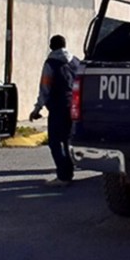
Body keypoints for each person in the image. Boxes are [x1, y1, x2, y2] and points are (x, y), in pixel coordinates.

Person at [29, 34, 81, 187]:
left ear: (51, 46)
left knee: (55, 142)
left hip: (58, 106)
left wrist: (37, 108)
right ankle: (68, 172)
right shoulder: (76, 61)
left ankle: (63, 176)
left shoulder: (50, 63)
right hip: (73, 106)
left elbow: (45, 87)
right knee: (67, 140)